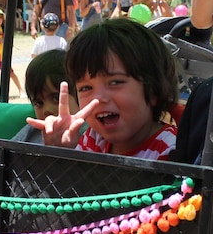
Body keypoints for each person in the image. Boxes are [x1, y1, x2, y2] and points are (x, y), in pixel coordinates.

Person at [26, 18, 178, 160]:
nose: (98, 98)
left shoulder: (170, 150)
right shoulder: (94, 138)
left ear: (153, 90)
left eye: (115, 82)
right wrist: (62, 153)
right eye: (86, 88)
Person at [12, 49, 81, 144]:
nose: (47, 109)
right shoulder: (31, 131)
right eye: (39, 103)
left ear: (80, 96)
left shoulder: (91, 138)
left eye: (56, 98)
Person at [0, 7, 26, 99]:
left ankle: (21, 90)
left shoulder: (4, 30)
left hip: (3, 57)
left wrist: (3, 40)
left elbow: (9, 41)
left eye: (1, 17)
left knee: (11, 73)